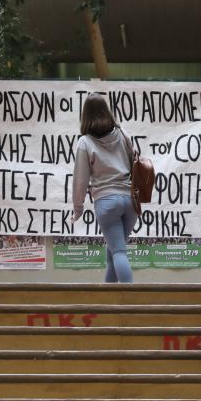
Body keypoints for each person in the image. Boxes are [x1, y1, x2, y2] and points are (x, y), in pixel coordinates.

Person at [72, 94, 138, 283]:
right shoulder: (123, 133)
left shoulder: (85, 142)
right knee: (113, 252)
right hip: (130, 200)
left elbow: (80, 180)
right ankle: (108, 299)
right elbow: (134, 163)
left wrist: (78, 210)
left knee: (118, 252)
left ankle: (130, 303)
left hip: (106, 202)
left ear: (85, 115)